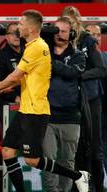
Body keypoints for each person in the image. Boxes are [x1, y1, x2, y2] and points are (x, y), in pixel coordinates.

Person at [0, 9, 89, 192]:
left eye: (20, 23)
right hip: (26, 109)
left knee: (32, 160)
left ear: (31, 28)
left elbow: (15, 76)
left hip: (36, 112)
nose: (18, 26)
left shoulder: (37, 47)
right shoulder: (31, 46)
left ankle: (78, 175)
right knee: (8, 152)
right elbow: (19, 77)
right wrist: (4, 86)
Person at [61, 6, 106, 192]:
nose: (69, 27)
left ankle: (98, 188)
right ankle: (78, 188)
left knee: (94, 149)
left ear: (78, 24)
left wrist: (79, 75)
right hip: (69, 102)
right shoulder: (57, 42)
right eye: (65, 23)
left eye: (72, 23)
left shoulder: (87, 41)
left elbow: (101, 70)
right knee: (74, 151)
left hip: (91, 100)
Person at [42, 16, 86, 192]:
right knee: (48, 160)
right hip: (47, 115)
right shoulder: (43, 51)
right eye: (56, 30)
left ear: (72, 34)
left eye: (64, 31)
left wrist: (50, 63)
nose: (59, 34)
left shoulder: (78, 55)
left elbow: (72, 73)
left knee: (67, 161)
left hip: (71, 117)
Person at [85, 23, 107, 178]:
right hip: (90, 108)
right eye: (90, 34)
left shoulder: (105, 57)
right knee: (92, 147)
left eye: (97, 34)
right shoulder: (80, 57)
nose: (94, 37)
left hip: (103, 109)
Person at [0, 22, 22, 123]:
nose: (16, 36)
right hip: (9, 105)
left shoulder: (29, 53)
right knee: (11, 138)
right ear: (6, 37)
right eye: (12, 33)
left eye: (18, 32)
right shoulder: (0, 57)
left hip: (29, 105)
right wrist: (14, 97)